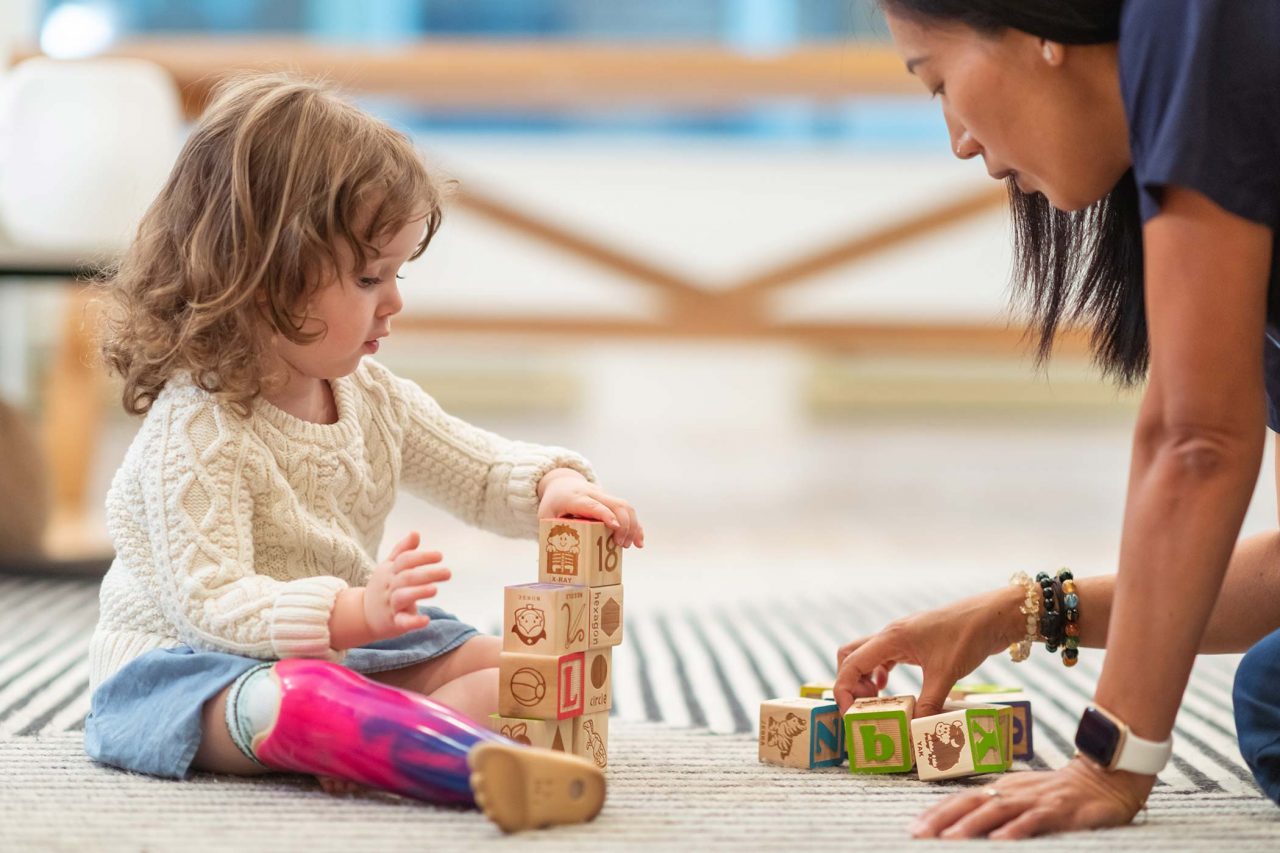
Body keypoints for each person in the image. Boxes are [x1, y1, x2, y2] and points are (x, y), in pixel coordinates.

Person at [84, 72, 644, 834]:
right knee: (284, 700)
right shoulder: (199, 428)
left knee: (521, 664)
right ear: (260, 275)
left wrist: (552, 485)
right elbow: (209, 602)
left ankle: (412, 738)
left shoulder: (372, 398)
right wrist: (350, 611)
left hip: (347, 641)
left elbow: (477, 468)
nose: (395, 300)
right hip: (188, 665)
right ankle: (428, 754)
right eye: (369, 275)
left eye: (397, 273)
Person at [834, 0, 1280, 839]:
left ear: (1039, 34)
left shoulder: (1197, 21)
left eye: (936, 83)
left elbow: (1197, 441)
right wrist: (1021, 610)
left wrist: (1108, 764)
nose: (960, 140)